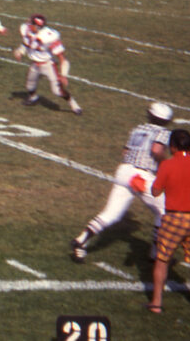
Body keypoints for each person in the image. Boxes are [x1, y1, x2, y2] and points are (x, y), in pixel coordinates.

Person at [72, 101, 172, 263]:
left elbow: (125, 152)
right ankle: (156, 253)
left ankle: (81, 239)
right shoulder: (163, 132)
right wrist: (165, 165)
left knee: (111, 213)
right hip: (141, 175)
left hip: (124, 171)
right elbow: (156, 150)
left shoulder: (138, 129)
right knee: (164, 212)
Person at [145, 129, 190, 316]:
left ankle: (156, 303)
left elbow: (155, 191)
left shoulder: (168, 165)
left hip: (174, 218)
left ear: (172, 147)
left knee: (162, 260)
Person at [13, 15, 81, 114]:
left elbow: (62, 58)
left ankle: (73, 104)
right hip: (35, 64)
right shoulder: (28, 31)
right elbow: (26, 43)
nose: (28, 25)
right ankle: (33, 98)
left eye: (31, 23)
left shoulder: (48, 37)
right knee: (30, 86)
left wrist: (64, 75)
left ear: (37, 26)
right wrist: (20, 51)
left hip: (48, 65)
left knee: (57, 91)